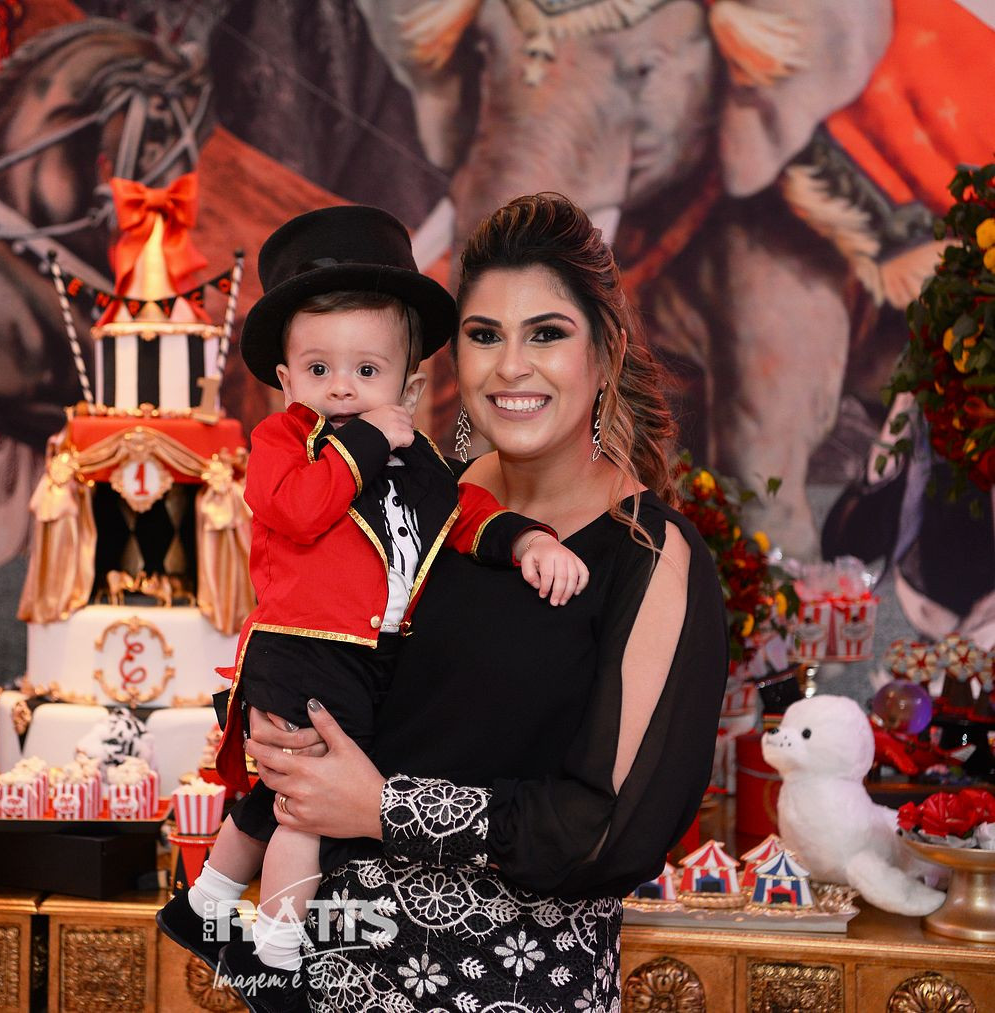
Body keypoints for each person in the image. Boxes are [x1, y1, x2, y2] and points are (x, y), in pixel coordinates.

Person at [240, 193, 729, 1011]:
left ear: (605, 353)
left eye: (547, 333)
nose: (510, 367)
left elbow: (605, 830)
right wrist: (279, 725)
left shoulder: (651, 555)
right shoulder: (415, 500)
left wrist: (384, 808)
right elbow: (323, 647)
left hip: (514, 987)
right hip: (333, 975)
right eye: (484, 335)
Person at [156, 205, 588, 1007]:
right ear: (286, 381)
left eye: (366, 371)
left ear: (409, 386)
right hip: (302, 644)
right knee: (307, 809)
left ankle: (206, 901)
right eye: (319, 369)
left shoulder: (420, 464)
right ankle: (277, 952)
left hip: (369, 657)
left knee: (278, 790)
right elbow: (296, 509)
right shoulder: (285, 445)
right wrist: (362, 442)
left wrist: (528, 539)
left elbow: (462, 517)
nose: (343, 388)